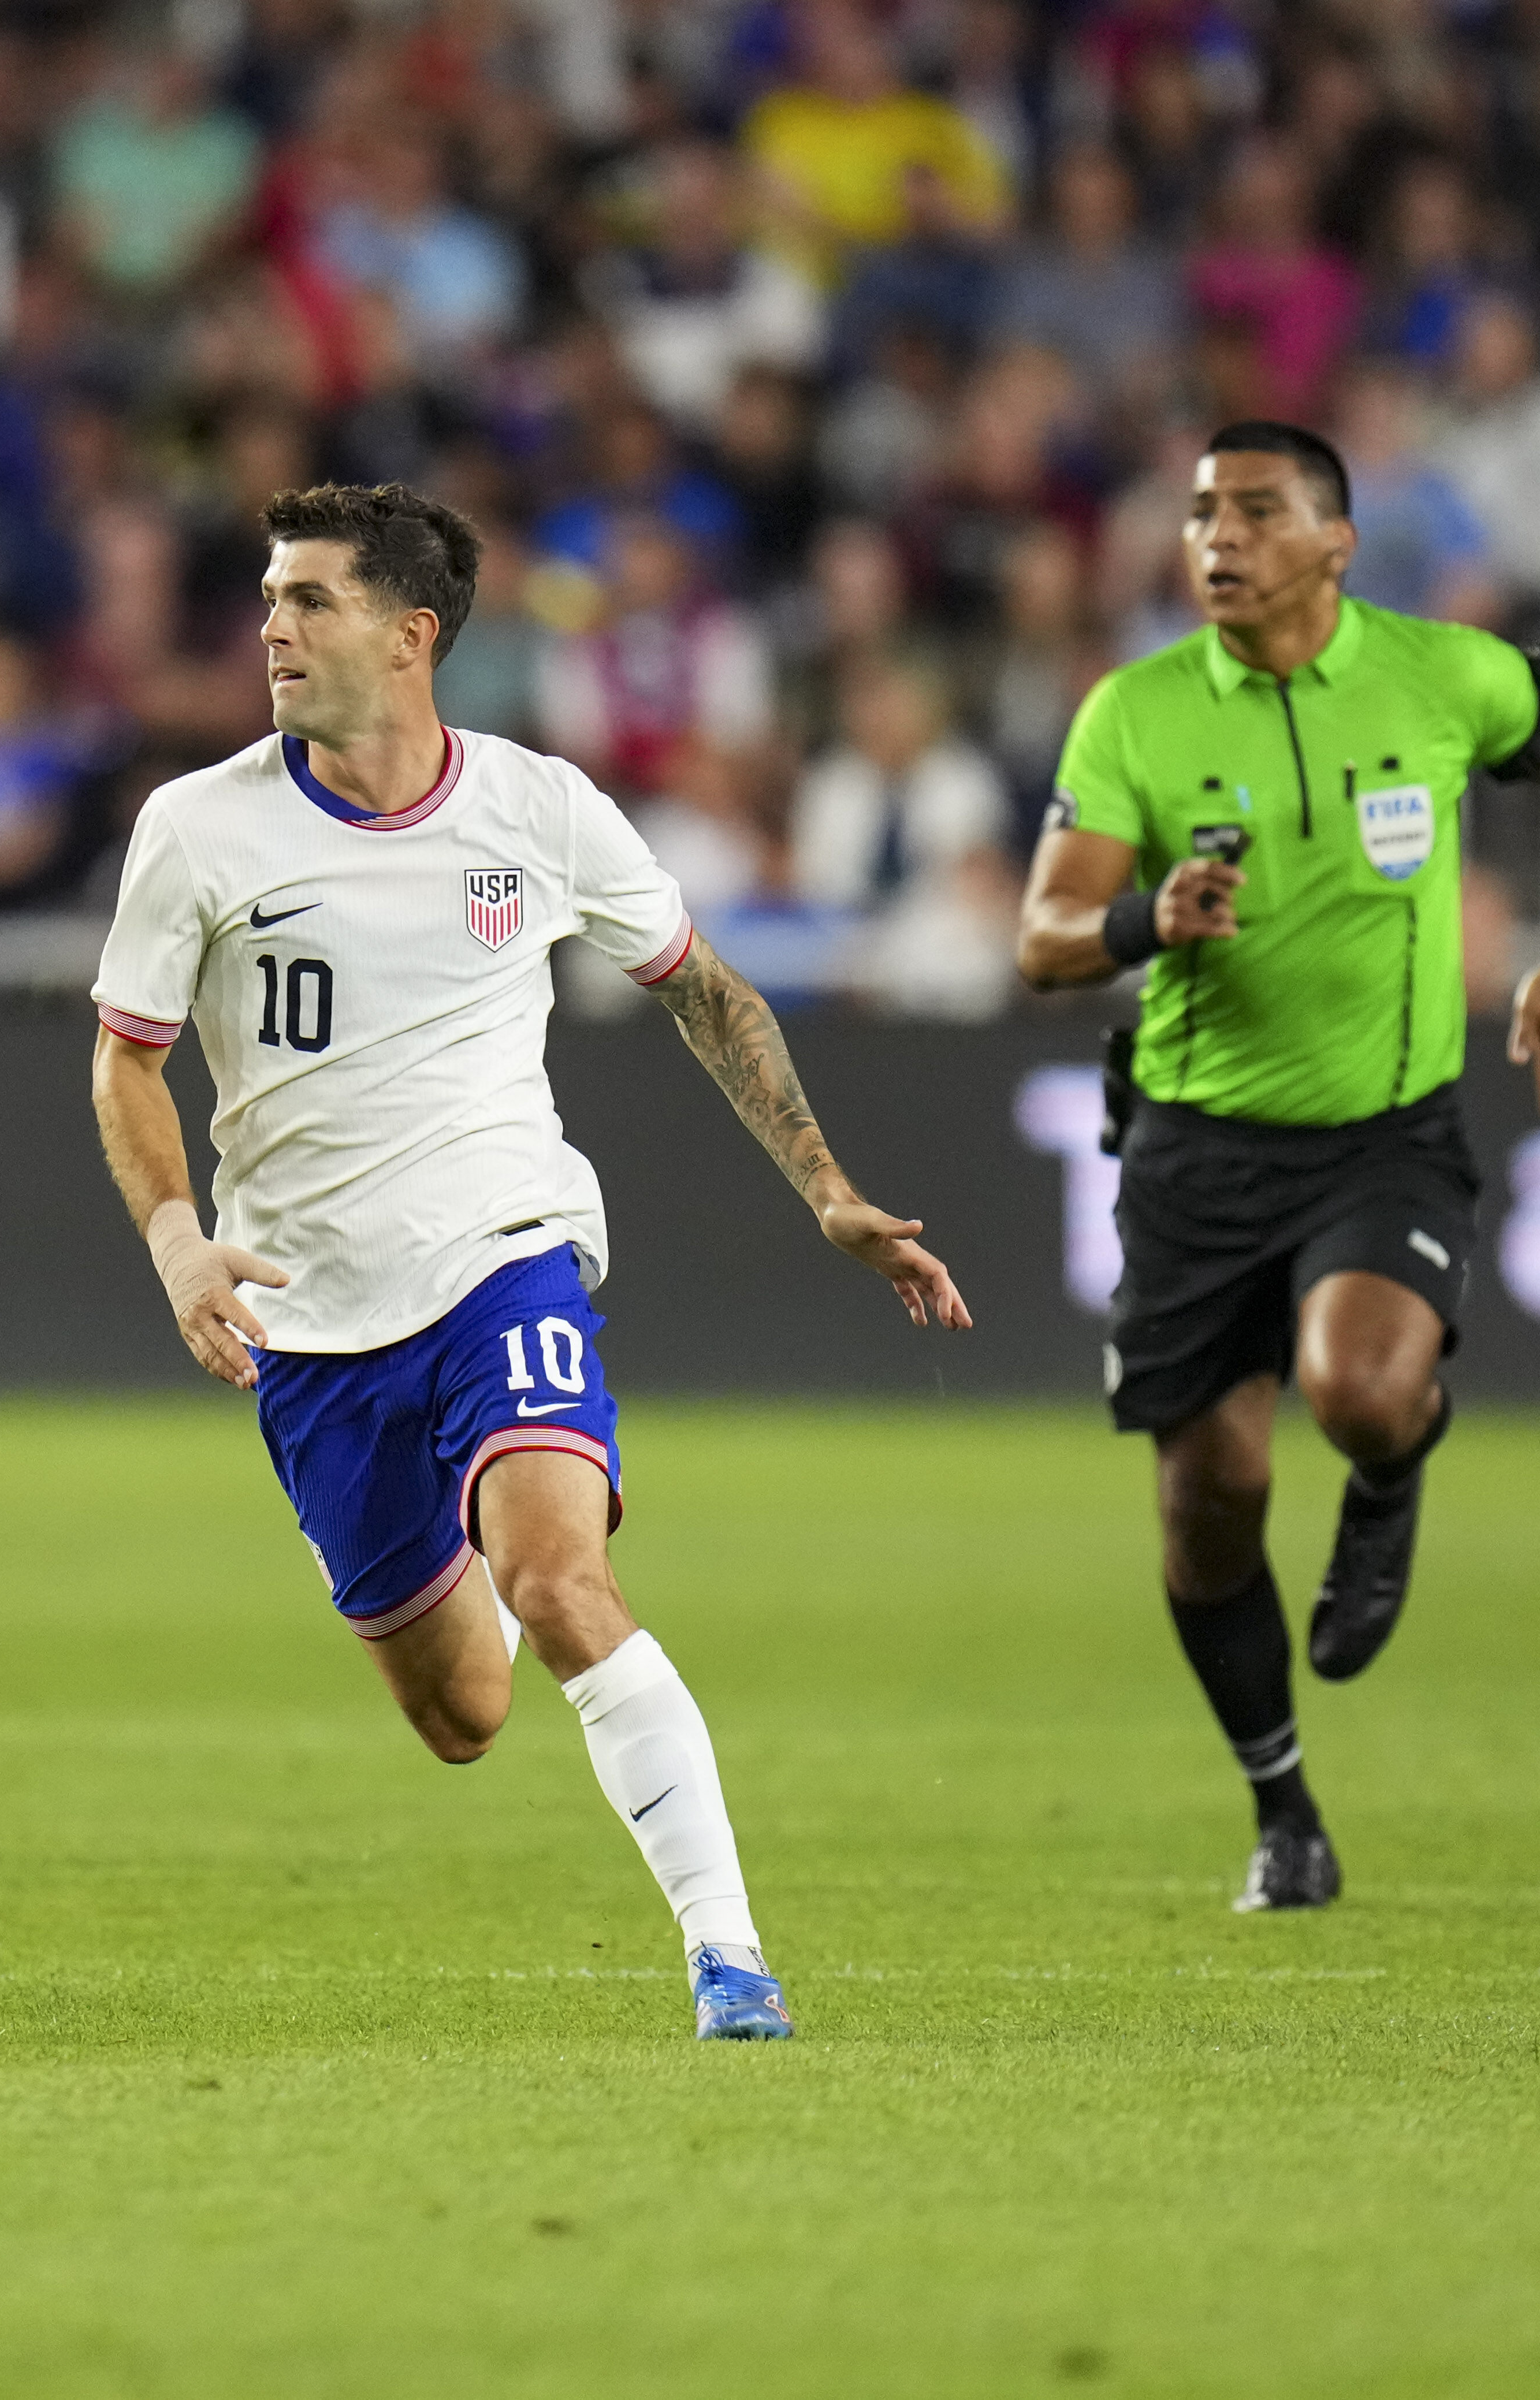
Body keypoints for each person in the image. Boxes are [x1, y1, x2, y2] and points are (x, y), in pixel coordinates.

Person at [87, 482, 970, 2042]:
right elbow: (125, 1062)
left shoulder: (538, 808)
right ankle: (447, 1548)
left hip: (505, 1248)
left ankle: (730, 1956)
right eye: (271, 597)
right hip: (308, 1314)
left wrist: (825, 1186)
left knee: (563, 1580)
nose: (273, 626)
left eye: (311, 600)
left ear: (412, 635)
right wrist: (174, 1238)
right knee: (463, 1715)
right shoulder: (199, 825)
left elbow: (705, 990)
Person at [1014, 421, 1540, 1912]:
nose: (1218, 538)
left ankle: (1392, 1461)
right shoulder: (1135, 715)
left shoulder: (1445, 675)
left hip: (1382, 1136)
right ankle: (1282, 1806)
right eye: (1201, 513)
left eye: (1258, 512)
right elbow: (1040, 933)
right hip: (1195, 1146)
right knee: (1208, 1500)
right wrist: (1148, 921)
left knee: (1356, 1386)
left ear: (1337, 541)